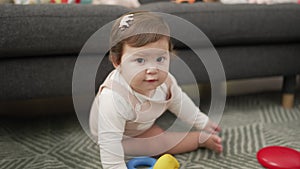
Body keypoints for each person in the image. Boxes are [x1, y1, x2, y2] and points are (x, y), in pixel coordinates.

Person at [89, 11, 223, 169]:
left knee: (157, 133)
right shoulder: (112, 99)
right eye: (140, 60)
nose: (152, 69)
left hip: (140, 123)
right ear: (117, 61)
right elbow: (110, 149)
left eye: (160, 59)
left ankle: (197, 135)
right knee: (158, 143)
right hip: (119, 137)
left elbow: (179, 102)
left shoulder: (166, 81)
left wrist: (201, 121)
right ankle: (199, 139)